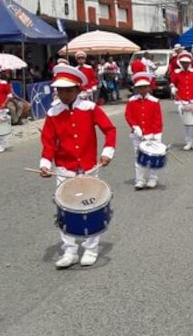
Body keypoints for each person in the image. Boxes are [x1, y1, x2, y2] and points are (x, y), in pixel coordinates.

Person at [39, 65, 116, 268]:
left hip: (89, 166)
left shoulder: (90, 109)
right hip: (64, 168)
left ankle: (91, 248)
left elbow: (109, 129)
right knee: (65, 209)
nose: (63, 94)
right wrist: (46, 163)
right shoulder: (53, 113)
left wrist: (107, 152)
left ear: (78, 90)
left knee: (91, 207)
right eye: (60, 90)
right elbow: (48, 141)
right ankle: (70, 250)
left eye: (68, 90)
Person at [125, 72, 163, 189]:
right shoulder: (132, 101)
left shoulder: (154, 101)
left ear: (149, 87)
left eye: (145, 87)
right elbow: (128, 115)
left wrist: (155, 134)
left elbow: (157, 118)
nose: (142, 89)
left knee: (153, 157)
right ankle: (140, 179)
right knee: (138, 157)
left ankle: (152, 178)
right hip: (138, 134)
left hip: (152, 134)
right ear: (136, 88)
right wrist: (135, 127)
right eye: (140, 87)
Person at [170, 53, 193, 151]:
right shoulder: (176, 72)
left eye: (187, 63)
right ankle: (188, 141)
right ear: (180, 63)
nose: (185, 65)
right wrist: (173, 88)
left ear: (190, 63)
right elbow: (172, 83)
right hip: (182, 99)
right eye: (183, 63)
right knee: (186, 122)